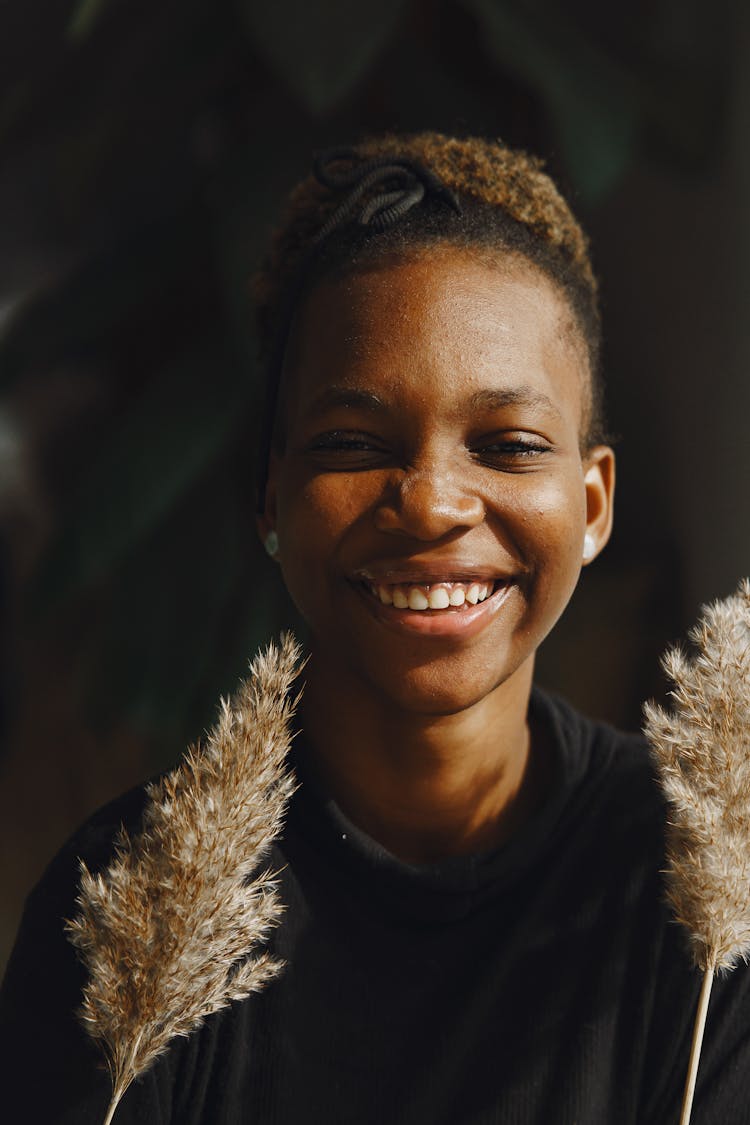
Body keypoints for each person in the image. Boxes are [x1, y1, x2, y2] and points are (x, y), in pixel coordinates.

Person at [1, 131, 749, 1124]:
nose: (434, 502)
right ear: (271, 499)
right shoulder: (131, 908)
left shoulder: (709, 901)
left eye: (508, 445)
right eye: (354, 442)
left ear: (594, 502)